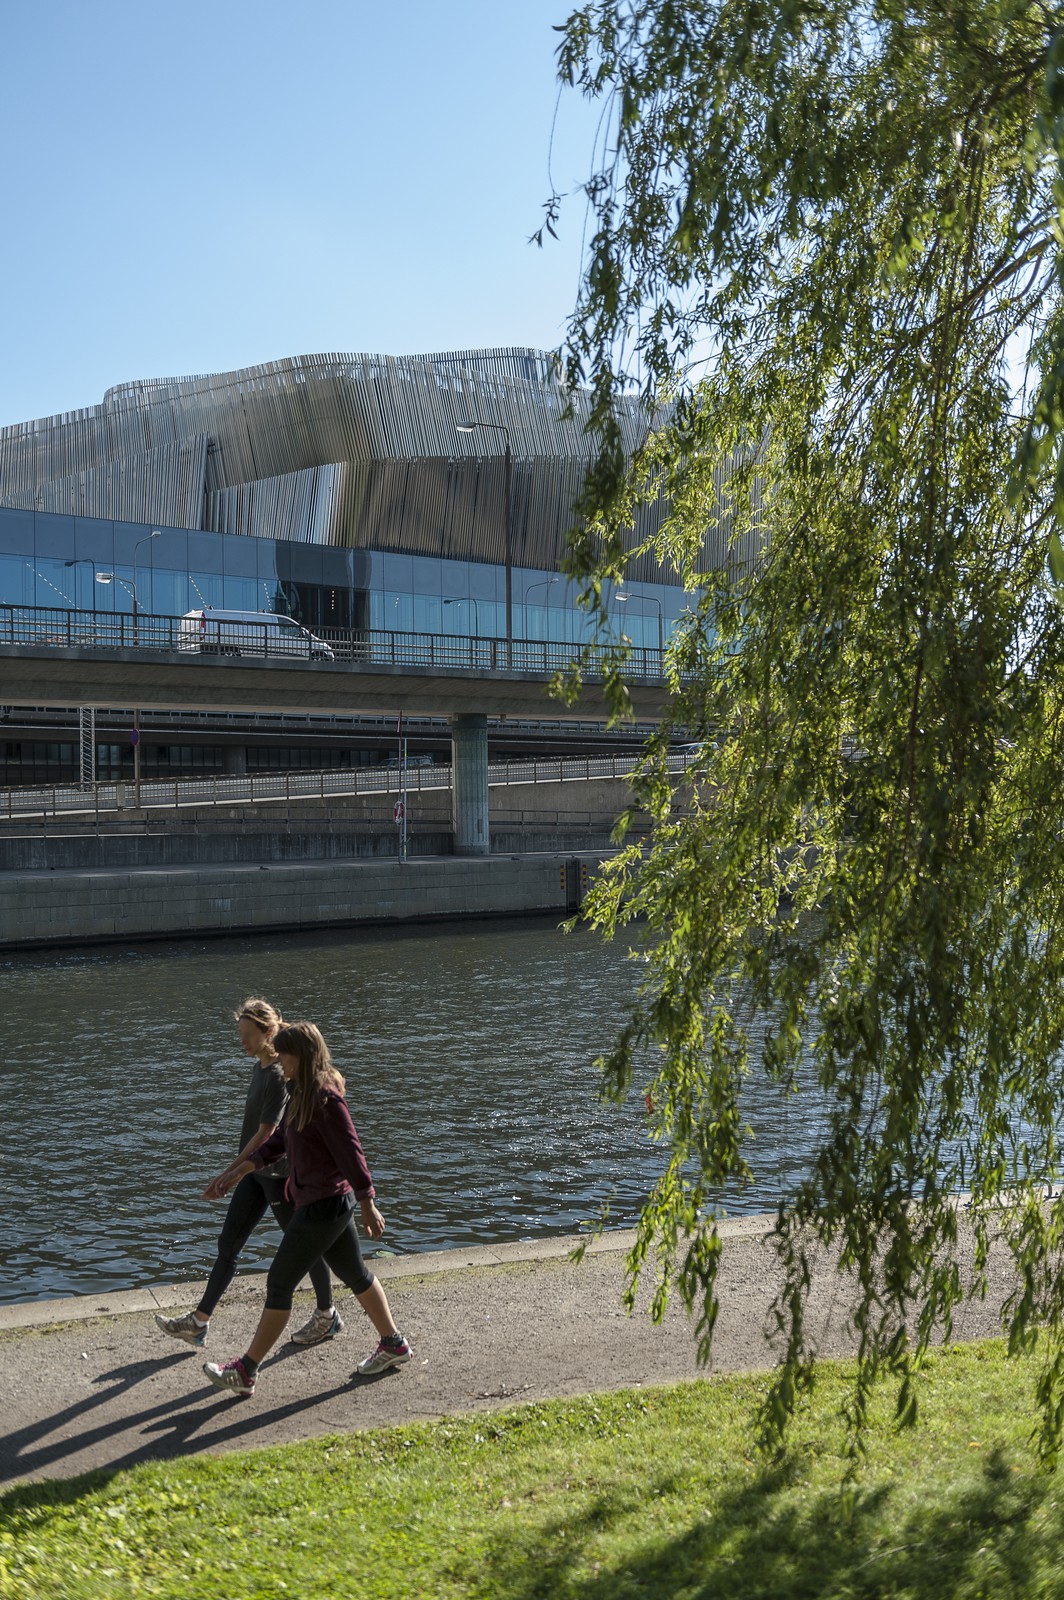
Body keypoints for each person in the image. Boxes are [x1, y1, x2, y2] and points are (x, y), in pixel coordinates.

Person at [201, 1019, 411, 1398]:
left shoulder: (325, 1100)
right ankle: (393, 1344)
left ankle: (246, 1370)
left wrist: (368, 1202)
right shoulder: (299, 1093)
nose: (279, 1059)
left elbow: (352, 1153)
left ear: (300, 1055)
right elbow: (277, 1143)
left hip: (324, 1206)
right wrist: (236, 1173)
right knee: (356, 1274)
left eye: (284, 1053)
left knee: (279, 1283)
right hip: (325, 1203)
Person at [155, 998, 343, 1352]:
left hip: (276, 1177)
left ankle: (326, 1313)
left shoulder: (278, 1075)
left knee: (305, 1246)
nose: (242, 1041)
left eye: (248, 1034)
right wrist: (237, 1172)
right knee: (228, 1245)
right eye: (239, 1034)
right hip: (255, 1175)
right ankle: (199, 1323)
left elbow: (267, 1134)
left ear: (268, 1032)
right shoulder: (261, 1068)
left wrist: (230, 1173)